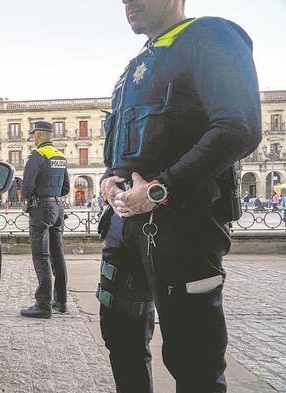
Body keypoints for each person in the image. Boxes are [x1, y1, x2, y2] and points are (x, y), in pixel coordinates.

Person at [98, 1, 261, 392]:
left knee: (194, 361)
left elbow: (238, 126)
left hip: (184, 230)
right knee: (120, 338)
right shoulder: (133, 67)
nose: (127, 3)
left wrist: (158, 190)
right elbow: (122, 150)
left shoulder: (210, 35)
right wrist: (109, 180)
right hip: (124, 231)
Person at [20, 121, 70, 318]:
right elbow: (66, 187)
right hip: (58, 207)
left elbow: (26, 186)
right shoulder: (60, 156)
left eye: (34, 135)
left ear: (38, 136)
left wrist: (28, 198)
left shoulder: (37, 155)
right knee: (58, 254)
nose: (33, 138)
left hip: (41, 209)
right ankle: (61, 301)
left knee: (41, 255)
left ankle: (43, 305)